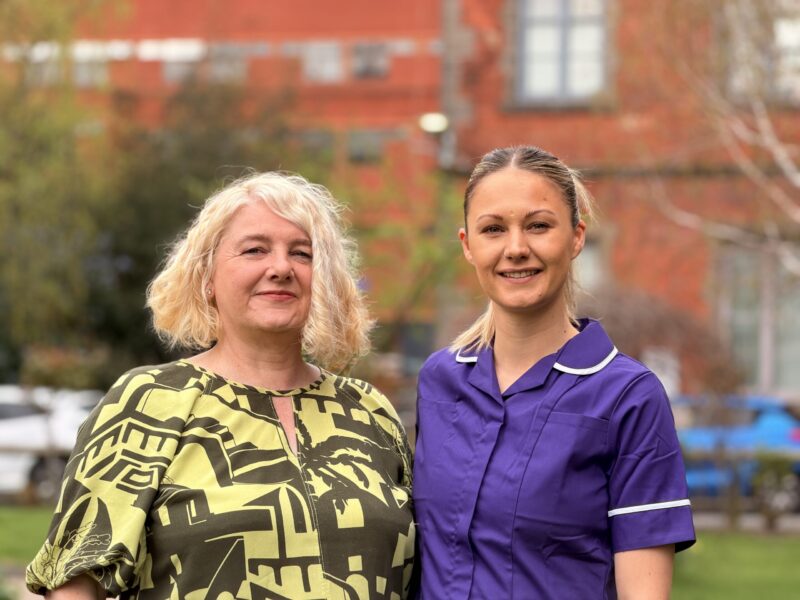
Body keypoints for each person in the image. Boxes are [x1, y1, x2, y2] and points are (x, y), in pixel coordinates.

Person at [26, 172, 415, 599]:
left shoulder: (370, 412)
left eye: (302, 254)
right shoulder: (150, 402)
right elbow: (75, 585)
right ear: (207, 278)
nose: (281, 268)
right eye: (255, 250)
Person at [413, 146, 695, 599]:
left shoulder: (629, 398)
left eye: (538, 226)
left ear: (576, 237)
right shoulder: (439, 381)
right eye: (493, 229)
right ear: (467, 245)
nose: (516, 249)